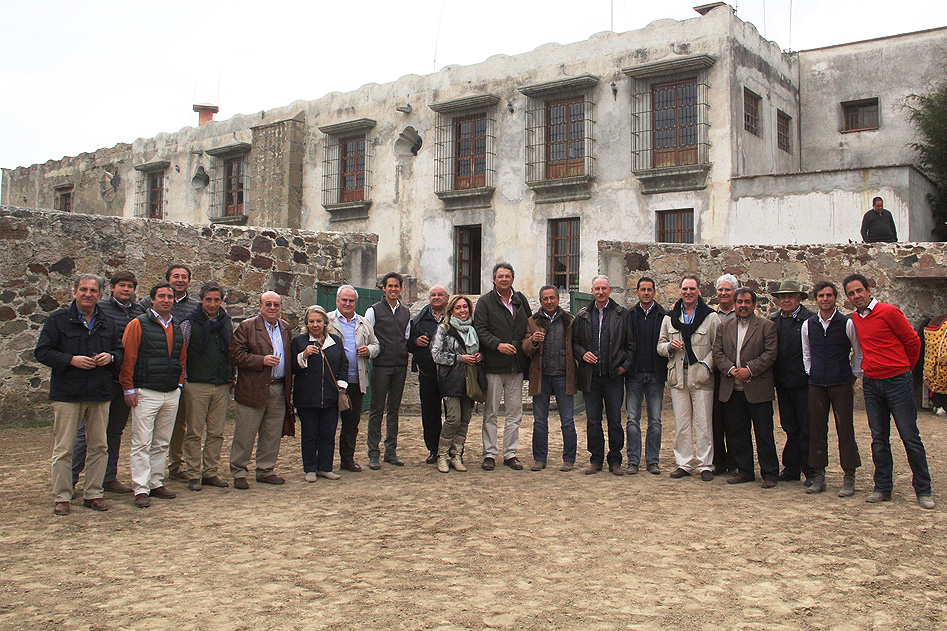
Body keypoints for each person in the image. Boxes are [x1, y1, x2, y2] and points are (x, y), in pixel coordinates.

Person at [843, 273, 933, 509]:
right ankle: (883, 487)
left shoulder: (889, 312)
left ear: (868, 290)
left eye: (858, 291)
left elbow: (913, 342)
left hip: (897, 381)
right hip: (872, 384)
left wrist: (904, 369)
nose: (856, 296)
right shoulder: (856, 318)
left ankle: (923, 490)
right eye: (851, 294)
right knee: (878, 439)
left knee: (910, 437)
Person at [35, 274, 122, 515]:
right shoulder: (58, 320)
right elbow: (42, 352)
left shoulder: (108, 321)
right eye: (83, 289)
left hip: (99, 392)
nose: (88, 294)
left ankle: (93, 493)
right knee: (64, 447)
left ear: (100, 295)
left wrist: (111, 357)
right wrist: (70, 360)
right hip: (67, 393)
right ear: (74, 292)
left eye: (93, 291)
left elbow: (119, 351)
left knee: (99, 446)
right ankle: (62, 496)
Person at [71, 270, 141, 494]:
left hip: (124, 380)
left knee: (114, 432)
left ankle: (108, 477)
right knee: (85, 433)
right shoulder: (101, 311)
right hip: (100, 378)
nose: (126, 289)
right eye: (122, 285)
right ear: (112, 288)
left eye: (130, 286)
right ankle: (71, 479)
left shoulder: (140, 312)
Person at [121, 283, 187, 508]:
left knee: (161, 441)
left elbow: (181, 356)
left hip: (170, 391)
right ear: (152, 300)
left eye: (169, 296)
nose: (166, 300)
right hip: (146, 390)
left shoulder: (176, 325)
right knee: (141, 442)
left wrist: (179, 384)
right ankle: (141, 487)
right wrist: (128, 387)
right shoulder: (138, 324)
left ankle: (156, 481)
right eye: (162, 296)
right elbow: (128, 357)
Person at [713, 288, 780, 488]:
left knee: (764, 433)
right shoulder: (724, 327)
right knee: (738, 433)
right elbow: (717, 353)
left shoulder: (767, 326)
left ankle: (769, 473)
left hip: (757, 388)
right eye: (739, 302)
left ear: (754, 304)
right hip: (733, 389)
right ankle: (745, 471)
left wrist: (749, 370)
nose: (743, 305)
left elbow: (770, 353)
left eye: (747, 302)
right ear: (735, 304)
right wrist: (732, 370)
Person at [801, 281, 863, 496]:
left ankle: (849, 476)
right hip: (817, 383)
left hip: (841, 383)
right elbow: (806, 353)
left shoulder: (847, 323)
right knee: (817, 429)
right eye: (820, 296)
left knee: (845, 429)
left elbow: (858, 352)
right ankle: (819, 475)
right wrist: (813, 372)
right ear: (815, 299)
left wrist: (853, 376)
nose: (825, 299)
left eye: (828, 295)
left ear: (835, 297)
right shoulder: (809, 324)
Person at [141, 264, 200, 483]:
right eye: (175, 276)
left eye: (184, 277)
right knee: (149, 427)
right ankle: (148, 470)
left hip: (184, 373)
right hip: (154, 374)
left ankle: (175, 465)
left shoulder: (196, 306)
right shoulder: (148, 305)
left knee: (179, 424)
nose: (180, 280)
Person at [657, 275, 719, 481]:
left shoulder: (710, 317)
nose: (688, 292)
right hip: (678, 376)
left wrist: (705, 366)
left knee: (703, 423)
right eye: (684, 289)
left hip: (700, 377)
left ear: (699, 290)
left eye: (692, 289)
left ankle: (705, 465)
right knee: (682, 423)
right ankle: (684, 463)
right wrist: (668, 347)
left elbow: (717, 346)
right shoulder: (670, 317)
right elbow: (660, 345)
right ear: (680, 291)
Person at [229, 291, 292, 489]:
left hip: (278, 387)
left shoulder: (285, 328)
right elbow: (235, 355)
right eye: (268, 304)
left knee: (272, 432)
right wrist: (261, 361)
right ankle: (239, 472)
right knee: (245, 432)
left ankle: (266, 469)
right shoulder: (247, 327)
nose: (272, 308)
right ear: (260, 306)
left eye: (276, 304)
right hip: (253, 388)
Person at [573, 275, 634, 476]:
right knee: (593, 420)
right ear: (592, 290)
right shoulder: (583, 316)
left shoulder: (621, 314)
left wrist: (624, 367)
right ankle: (596, 459)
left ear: (609, 290)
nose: (600, 292)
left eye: (604, 288)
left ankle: (615, 460)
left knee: (615, 420)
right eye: (597, 288)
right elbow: (575, 343)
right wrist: (583, 354)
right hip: (591, 376)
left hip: (613, 376)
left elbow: (631, 345)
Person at [474, 263, 532, 471]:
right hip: (493, 366)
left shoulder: (520, 301)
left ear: (513, 279)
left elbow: (530, 326)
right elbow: (479, 329)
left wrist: (523, 344)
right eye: (500, 276)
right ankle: (489, 454)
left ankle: (510, 454)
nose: (504, 279)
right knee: (490, 412)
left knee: (514, 413)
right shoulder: (484, 302)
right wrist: (497, 345)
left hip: (516, 366)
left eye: (507, 276)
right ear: (494, 280)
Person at [179, 282, 233, 490]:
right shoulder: (189, 323)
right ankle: (193, 474)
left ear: (221, 301)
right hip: (196, 383)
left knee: (216, 432)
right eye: (208, 300)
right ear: (201, 300)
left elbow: (230, 352)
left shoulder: (226, 322)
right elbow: (181, 352)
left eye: (216, 300)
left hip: (221, 384)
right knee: (194, 431)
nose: (212, 304)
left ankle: (210, 472)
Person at [522, 286, 577, 472]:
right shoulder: (532, 321)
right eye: (545, 298)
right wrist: (534, 341)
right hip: (541, 376)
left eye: (552, 298)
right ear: (540, 301)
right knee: (539, 420)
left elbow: (576, 344)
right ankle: (539, 458)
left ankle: (569, 459)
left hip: (563, 375)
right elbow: (525, 348)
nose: (549, 302)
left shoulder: (569, 320)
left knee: (567, 420)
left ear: (558, 299)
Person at [291, 305, 348, 482]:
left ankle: (325, 467)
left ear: (325, 323)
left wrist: (341, 385)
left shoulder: (336, 341)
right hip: (307, 397)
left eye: (318, 321)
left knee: (328, 433)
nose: (315, 325)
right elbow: (292, 367)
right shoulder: (299, 342)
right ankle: (310, 468)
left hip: (330, 397)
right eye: (311, 322)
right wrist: (304, 355)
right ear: (307, 324)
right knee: (310, 433)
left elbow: (343, 365)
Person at [328, 285, 379, 472]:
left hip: (356, 380)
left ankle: (347, 460)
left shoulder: (364, 323)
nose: (347, 304)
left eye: (351, 301)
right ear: (337, 301)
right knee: (328, 423)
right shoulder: (327, 320)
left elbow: (376, 344)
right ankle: (324, 462)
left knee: (351, 425)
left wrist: (370, 351)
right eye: (344, 300)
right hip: (332, 381)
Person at [769, 280, 816, 486]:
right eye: (782, 297)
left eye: (790, 296)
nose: (786, 300)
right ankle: (791, 467)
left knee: (807, 427)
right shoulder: (774, 322)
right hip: (783, 383)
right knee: (789, 427)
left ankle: (810, 469)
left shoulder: (810, 321)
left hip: (804, 383)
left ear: (799, 298)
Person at [431, 295, 482, 473]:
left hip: (470, 379)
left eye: (465, 307)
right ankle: (442, 455)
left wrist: (478, 356)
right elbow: (436, 354)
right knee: (454, 418)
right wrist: (460, 358)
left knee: (465, 419)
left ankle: (457, 455)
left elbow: (478, 350)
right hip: (451, 379)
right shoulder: (444, 329)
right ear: (452, 310)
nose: (462, 311)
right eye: (458, 308)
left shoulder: (473, 329)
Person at [364, 272, 411, 469]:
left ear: (401, 288)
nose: (393, 289)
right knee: (377, 410)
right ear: (383, 288)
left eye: (396, 286)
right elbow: (368, 337)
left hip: (399, 365)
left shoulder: (406, 312)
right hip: (381, 366)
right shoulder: (373, 311)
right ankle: (373, 453)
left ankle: (390, 451)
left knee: (394, 410)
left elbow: (406, 337)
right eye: (389, 286)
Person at [625, 277, 668, 475]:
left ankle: (653, 461)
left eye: (649, 289)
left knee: (655, 421)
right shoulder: (629, 315)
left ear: (654, 292)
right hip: (634, 374)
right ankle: (633, 460)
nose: (646, 293)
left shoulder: (663, 316)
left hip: (655, 374)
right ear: (637, 292)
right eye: (643, 289)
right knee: (632, 419)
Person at [409, 285, 449, 464]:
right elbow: (407, 344)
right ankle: (434, 450)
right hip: (428, 373)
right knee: (430, 414)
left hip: (451, 374)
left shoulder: (455, 315)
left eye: (440, 295)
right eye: (433, 295)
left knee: (453, 414)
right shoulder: (419, 319)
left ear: (447, 298)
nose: (437, 297)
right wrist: (415, 341)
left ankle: (452, 450)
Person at [711, 273, 738, 475]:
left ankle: (735, 460)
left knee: (734, 420)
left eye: (727, 290)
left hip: (736, 374)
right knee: (716, 420)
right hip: (715, 373)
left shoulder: (742, 314)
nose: (723, 293)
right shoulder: (711, 315)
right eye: (720, 290)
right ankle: (719, 460)